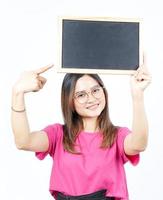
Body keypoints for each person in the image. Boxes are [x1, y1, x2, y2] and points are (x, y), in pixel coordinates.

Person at [11, 59, 151, 200]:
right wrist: (18, 92)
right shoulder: (58, 135)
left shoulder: (117, 136)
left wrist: (137, 95)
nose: (91, 99)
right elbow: (23, 142)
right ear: (69, 101)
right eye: (81, 95)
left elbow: (139, 144)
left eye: (95, 90)